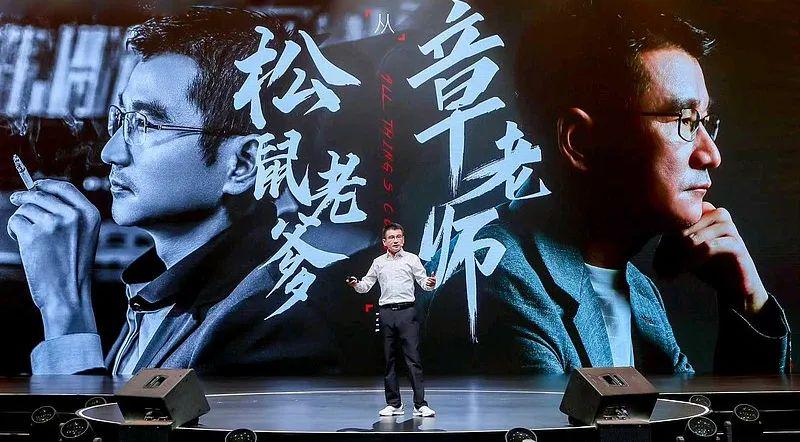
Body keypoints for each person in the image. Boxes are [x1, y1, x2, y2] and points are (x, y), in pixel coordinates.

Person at [422, 4, 790, 374]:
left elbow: (705, 413)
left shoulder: (639, 293)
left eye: (705, 121)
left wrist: (747, 301)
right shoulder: (499, 284)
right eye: (684, 120)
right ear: (580, 142)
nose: (711, 154)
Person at [7, 7, 339, 375]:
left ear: (244, 164)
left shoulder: (271, 319)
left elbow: (105, 418)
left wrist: (65, 309)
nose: (110, 153)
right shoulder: (163, 289)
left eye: (146, 125)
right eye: (123, 119)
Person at [348, 222, 437, 417]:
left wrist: (430, 283)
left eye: (398, 237)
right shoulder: (378, 262)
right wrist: (356, 284)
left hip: (407, 312)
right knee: (389, 359)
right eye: (391, 237)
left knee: (413, 359)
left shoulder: (412, 259)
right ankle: (394, 404)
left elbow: (424, 283)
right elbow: (366, 285)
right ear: (384, 242)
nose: (395, 240)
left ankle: (420, 404)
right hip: (386, 313)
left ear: (403, 239)